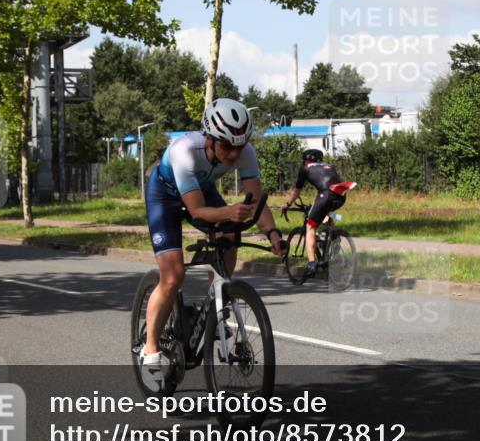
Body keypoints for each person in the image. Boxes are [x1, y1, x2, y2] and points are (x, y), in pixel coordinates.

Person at [140, 98, 286, 390]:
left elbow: (255, 201)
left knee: (230, 236)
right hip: (165, 196)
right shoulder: (184, 151)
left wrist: (272, 233)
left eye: (239, 146)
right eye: (226, 146)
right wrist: (230, 211)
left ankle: (216, 302)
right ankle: (151, 351)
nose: (233, 154)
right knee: (172, 276)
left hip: (200, 188)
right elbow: (196, 212)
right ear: (209, 137)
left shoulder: (244, 152)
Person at [281, 148, 355, 278]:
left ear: (306, 160)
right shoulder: (329, 166)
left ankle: (311, 264)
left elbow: (297, 192)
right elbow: (328, 183)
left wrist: (288, 205)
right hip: (341, 195)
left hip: (325, 195)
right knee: (325, 213)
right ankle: (334, 237)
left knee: (310, 227)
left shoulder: (305, 168)